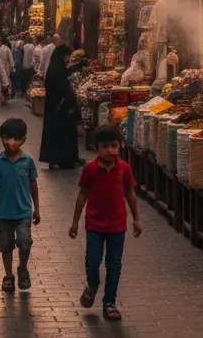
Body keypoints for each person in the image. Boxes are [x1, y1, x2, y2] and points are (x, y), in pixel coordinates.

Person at [68, 125, 142, 322]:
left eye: (114, 146)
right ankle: (93, 284)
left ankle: (109, 302)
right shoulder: (90, 169)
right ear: (95, 148)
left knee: (114, 265)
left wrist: (136, 219)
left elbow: (130, 194)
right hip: (94, 224)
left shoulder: (124, 169)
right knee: (92, 260)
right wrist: (75, 222)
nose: (110, 150)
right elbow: (83, 194)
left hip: (118, 225)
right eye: (104, 146)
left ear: (120, 146)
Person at [0, 118, 40, 293]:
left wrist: (37, 208)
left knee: (24, 242)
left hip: (24, 212)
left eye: (15, 139)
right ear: (1, 138)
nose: (10, 142)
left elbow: (33, 186)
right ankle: (8, 275)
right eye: (6, 138)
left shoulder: (27, 161)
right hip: (4, 213)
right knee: (6, 246)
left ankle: (22, 268)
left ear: (23, 140)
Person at [39, 44, 85, 169]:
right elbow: (63, 89)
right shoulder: (57, 71)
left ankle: (59, 158)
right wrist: (71, 102)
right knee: (62, 134)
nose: (68, 59)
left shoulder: (55, 68)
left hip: (55, 107)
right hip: (61, 108)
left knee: (57, 134)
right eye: (67, 57)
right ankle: (64, 159)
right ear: (61, 56)